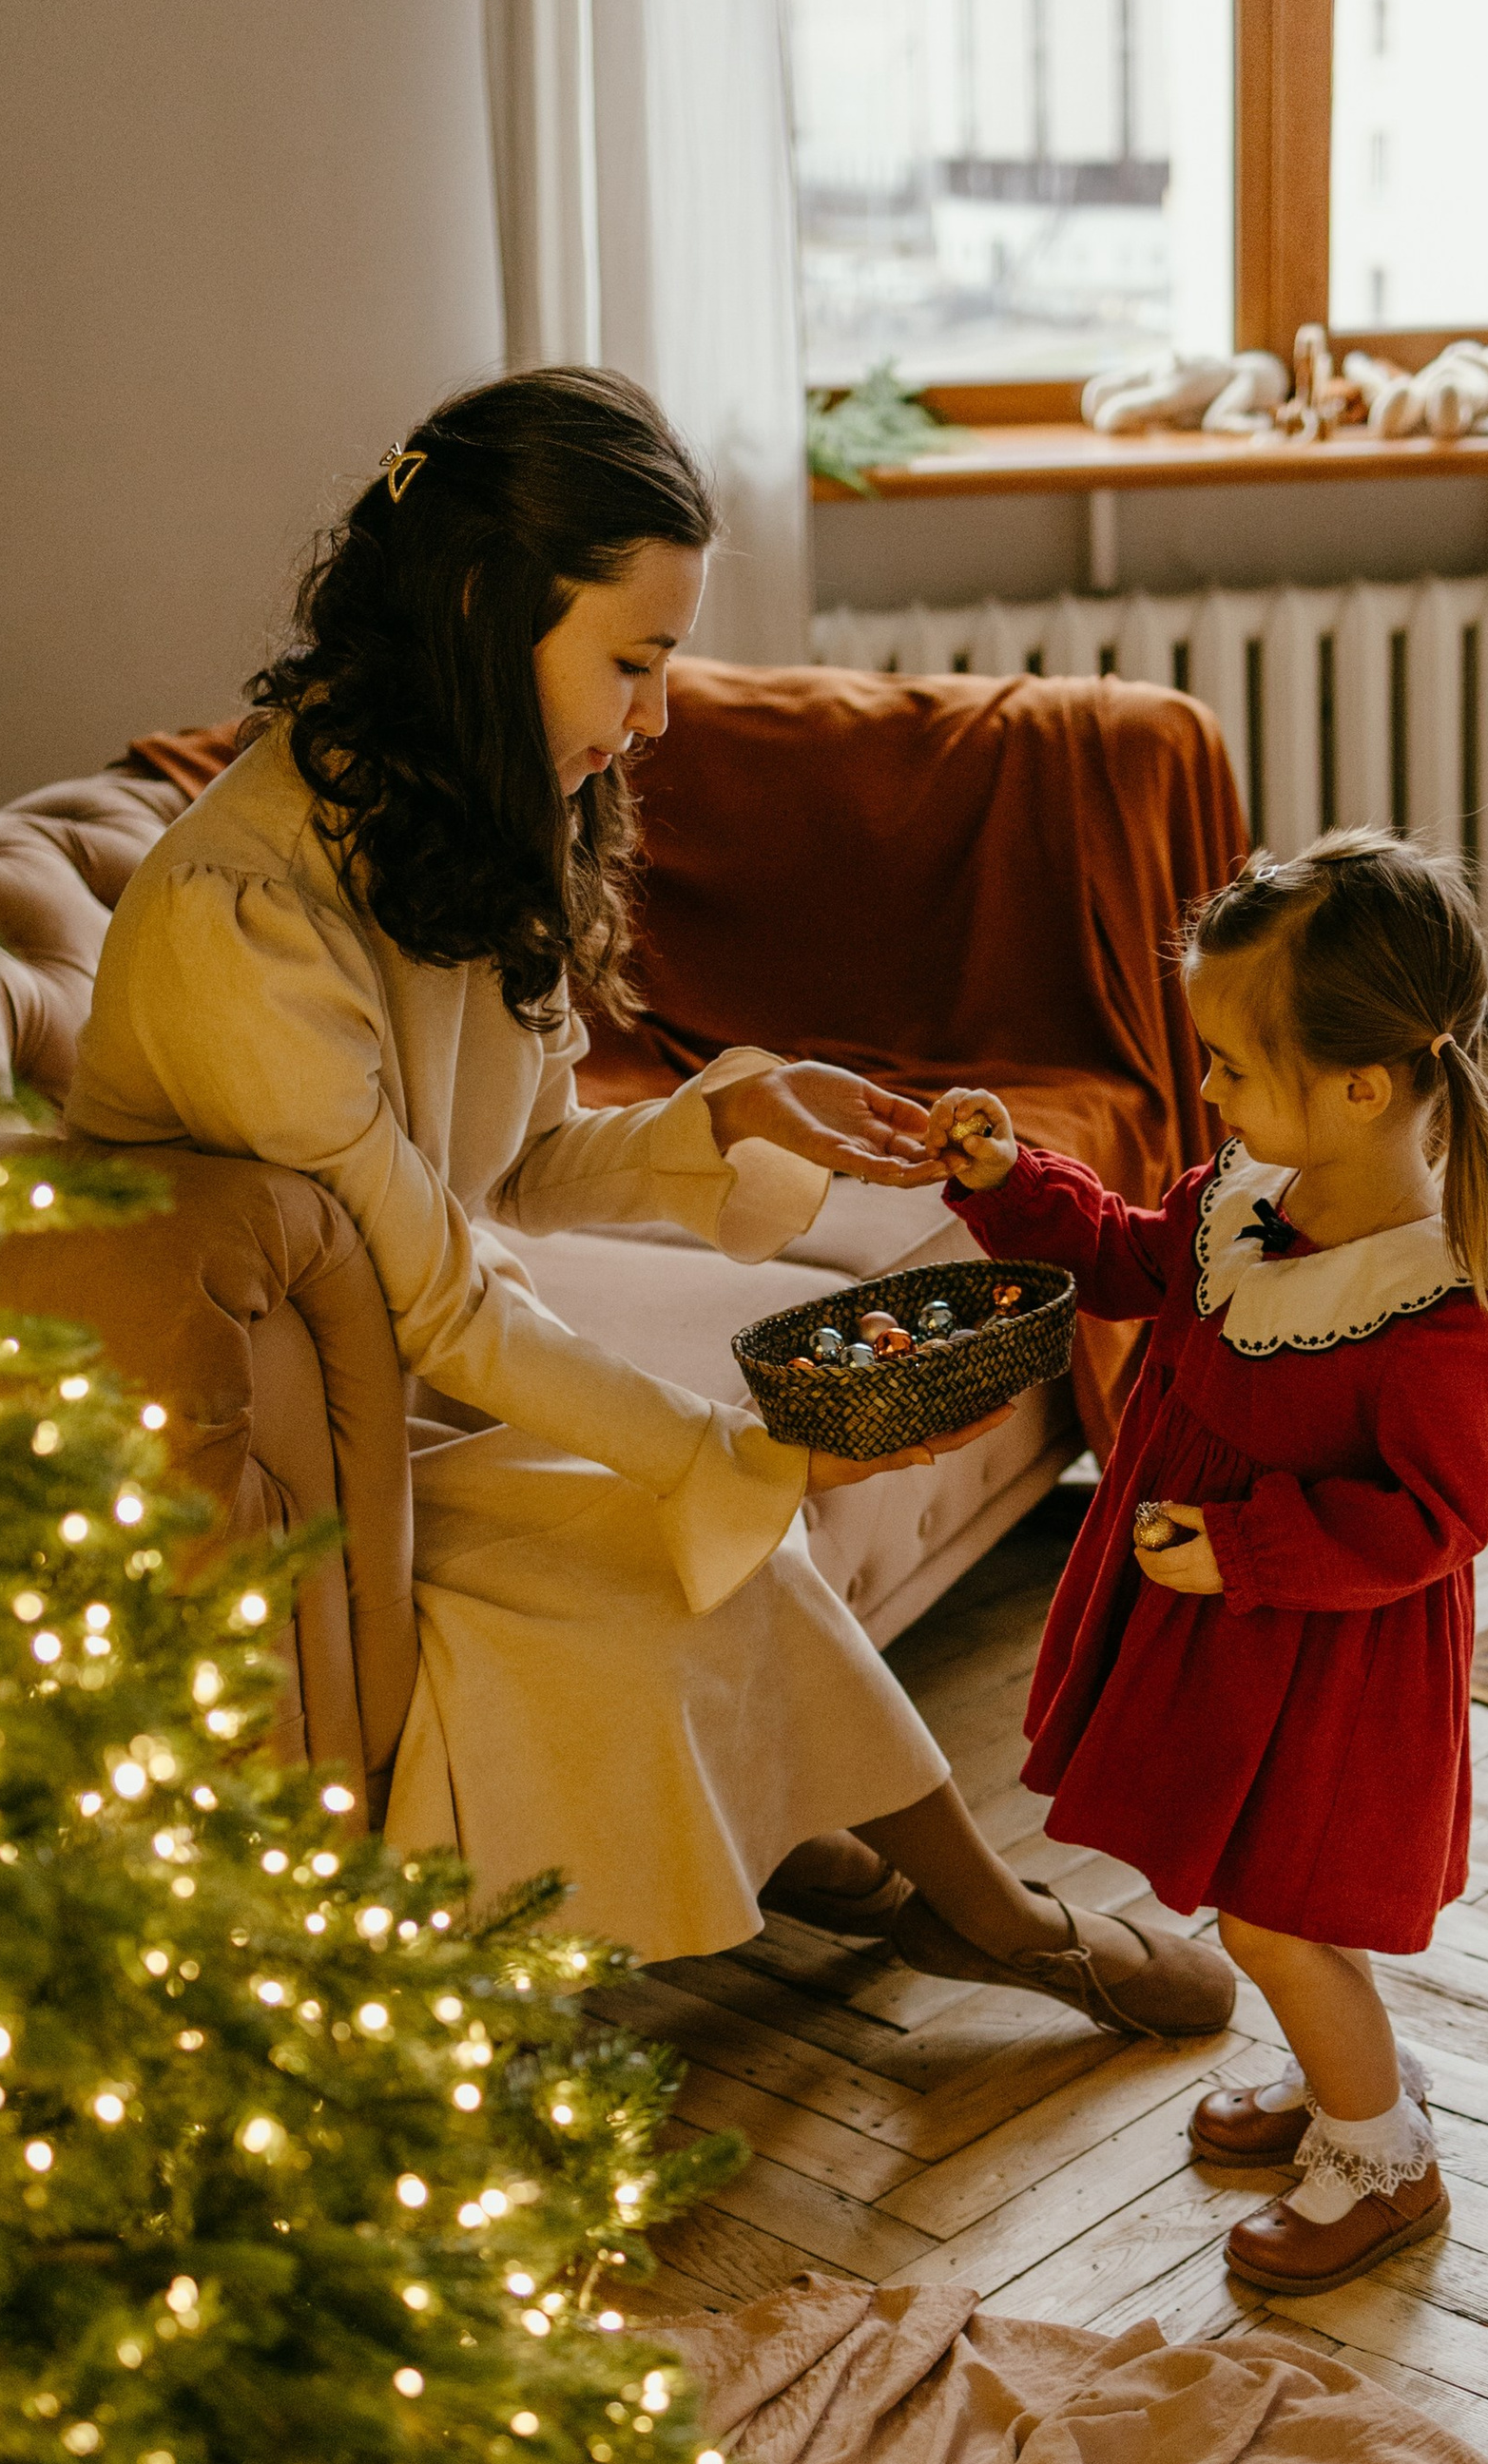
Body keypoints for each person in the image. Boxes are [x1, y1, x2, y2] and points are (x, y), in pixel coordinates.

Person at [67, 366, 1227, 2042]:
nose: (662, 715)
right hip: (267, 1475)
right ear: (485, 611)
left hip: (385, 1400)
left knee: (704, 1539)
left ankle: (912, 1889)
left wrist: (729, 1109)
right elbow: (444, 1297)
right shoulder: (242, 915)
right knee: (698, 1538)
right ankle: (989, 1918)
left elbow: (518, 1164)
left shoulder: (448, 815)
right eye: (636, 660)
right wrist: (732, 1451)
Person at [922, 828, 1488, 2288]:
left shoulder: (1440, 1317)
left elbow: (1434, 1520)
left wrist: (1253, 1545)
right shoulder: (1242, 1198)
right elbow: (1131, 1258)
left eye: (1233, 1066)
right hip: (1222, 1638)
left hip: (1325, 1672)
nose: (1209, 1091)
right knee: (1262, 1904)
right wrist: (1014, 1183)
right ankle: (1343, 2072)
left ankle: (1381, 2154)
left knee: (1274, 1916)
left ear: (1364, 1086)